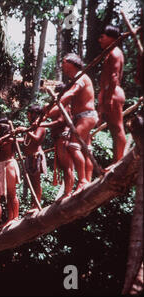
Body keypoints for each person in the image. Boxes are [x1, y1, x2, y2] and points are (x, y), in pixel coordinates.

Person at [60, 53, 97, 193]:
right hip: (83, 117)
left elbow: (71, 94)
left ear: (71, 63)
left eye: (64, 63)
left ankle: (82, 181)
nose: (63, 66)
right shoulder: (76, 78)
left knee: (73, 146)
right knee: (86, 149)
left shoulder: (81, 77)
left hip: (86, 117)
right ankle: (87, 179)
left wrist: (55, 104)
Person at [40, 84, 75, 200]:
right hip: (59, 138)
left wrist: (43, 124)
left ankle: (68, 192)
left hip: (63, 137)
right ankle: (67, 191)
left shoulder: (64, 105)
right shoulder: (58, 105)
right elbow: (48, 112)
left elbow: (60, 121)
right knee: (65, 166)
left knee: (67, 166)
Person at [98, 25, 126, 164]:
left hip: (114, 93)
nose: (99, 40)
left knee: (117, 127)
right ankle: (116, 160)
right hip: (110, 92)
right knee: (113, 129)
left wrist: (108, 98)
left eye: (102, 37)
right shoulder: (111, 52)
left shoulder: (115, 53)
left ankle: (119, 161)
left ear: (111, 38)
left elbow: (114, 76)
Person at [0, 118, 20, 224]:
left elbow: (14, 140)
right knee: (8, 194)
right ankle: (10, 217)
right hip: (2, 165)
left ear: (1, 126)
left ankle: (16, 216)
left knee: (12, 193)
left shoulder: (9, 138)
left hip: (9, 164)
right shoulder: (0, 138)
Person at [20, 104, 47, 213]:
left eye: (29, 113)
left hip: (36, 156)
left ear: (34, 114)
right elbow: (26, 140)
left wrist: (26, 131)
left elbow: (36, 139)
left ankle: (36, 204)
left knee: (36, 183)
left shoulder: (40, 126)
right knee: (32, 182)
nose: (27, 116)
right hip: (30, 157)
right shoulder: (32, 126)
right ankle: (33, 204)